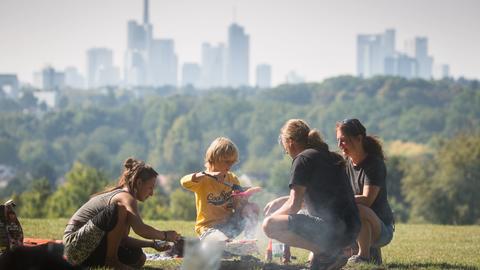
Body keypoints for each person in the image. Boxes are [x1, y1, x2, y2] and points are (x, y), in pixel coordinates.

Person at [263, 119, 360, 270]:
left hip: (332, 229)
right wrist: (281, 202)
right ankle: (328, 257)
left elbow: (294, 205)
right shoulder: (331, 156)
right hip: (351, 230)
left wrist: (272, 217)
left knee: (270, 225)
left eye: (285, 147)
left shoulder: (302, 159)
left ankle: (326, 253)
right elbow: (320, 198)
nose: (286, 151)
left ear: (290, 142)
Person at [63, 158, 180, 270]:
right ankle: (111, 261)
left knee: (138, 257)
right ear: (139, 183)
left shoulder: (127, 198)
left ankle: (111, 260)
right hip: (74, 247)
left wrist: (152, 244)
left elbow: (122, 240)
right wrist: (165, 235)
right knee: (119, 209)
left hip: (86, 250)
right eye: (150, 188)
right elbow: (140, 229)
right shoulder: (125, 197)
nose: (152, 193)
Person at [336, 118, 394, 264]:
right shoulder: (345, 164)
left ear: (359, 139)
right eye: (338, 140)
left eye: (343, 140)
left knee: (359, 208)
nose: (339, 145)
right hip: (356, 226)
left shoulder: (375, 164)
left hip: (382, 230)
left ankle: (364, 256)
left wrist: (338, 202)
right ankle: (367, 254)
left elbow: (367, 199)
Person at [180, 137, 260, 241]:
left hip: (229, 226)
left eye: (232, 162)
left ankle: (248, 241)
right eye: (227, 162)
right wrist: (208, 174)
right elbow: (183, 182)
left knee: (253, 208)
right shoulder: (203, 179)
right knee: (223, 242)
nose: (230, 165)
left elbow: (237, 206)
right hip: (207, 229)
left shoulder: (232, 178)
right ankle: (225, 245)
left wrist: (243, 197)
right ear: (214, 158)